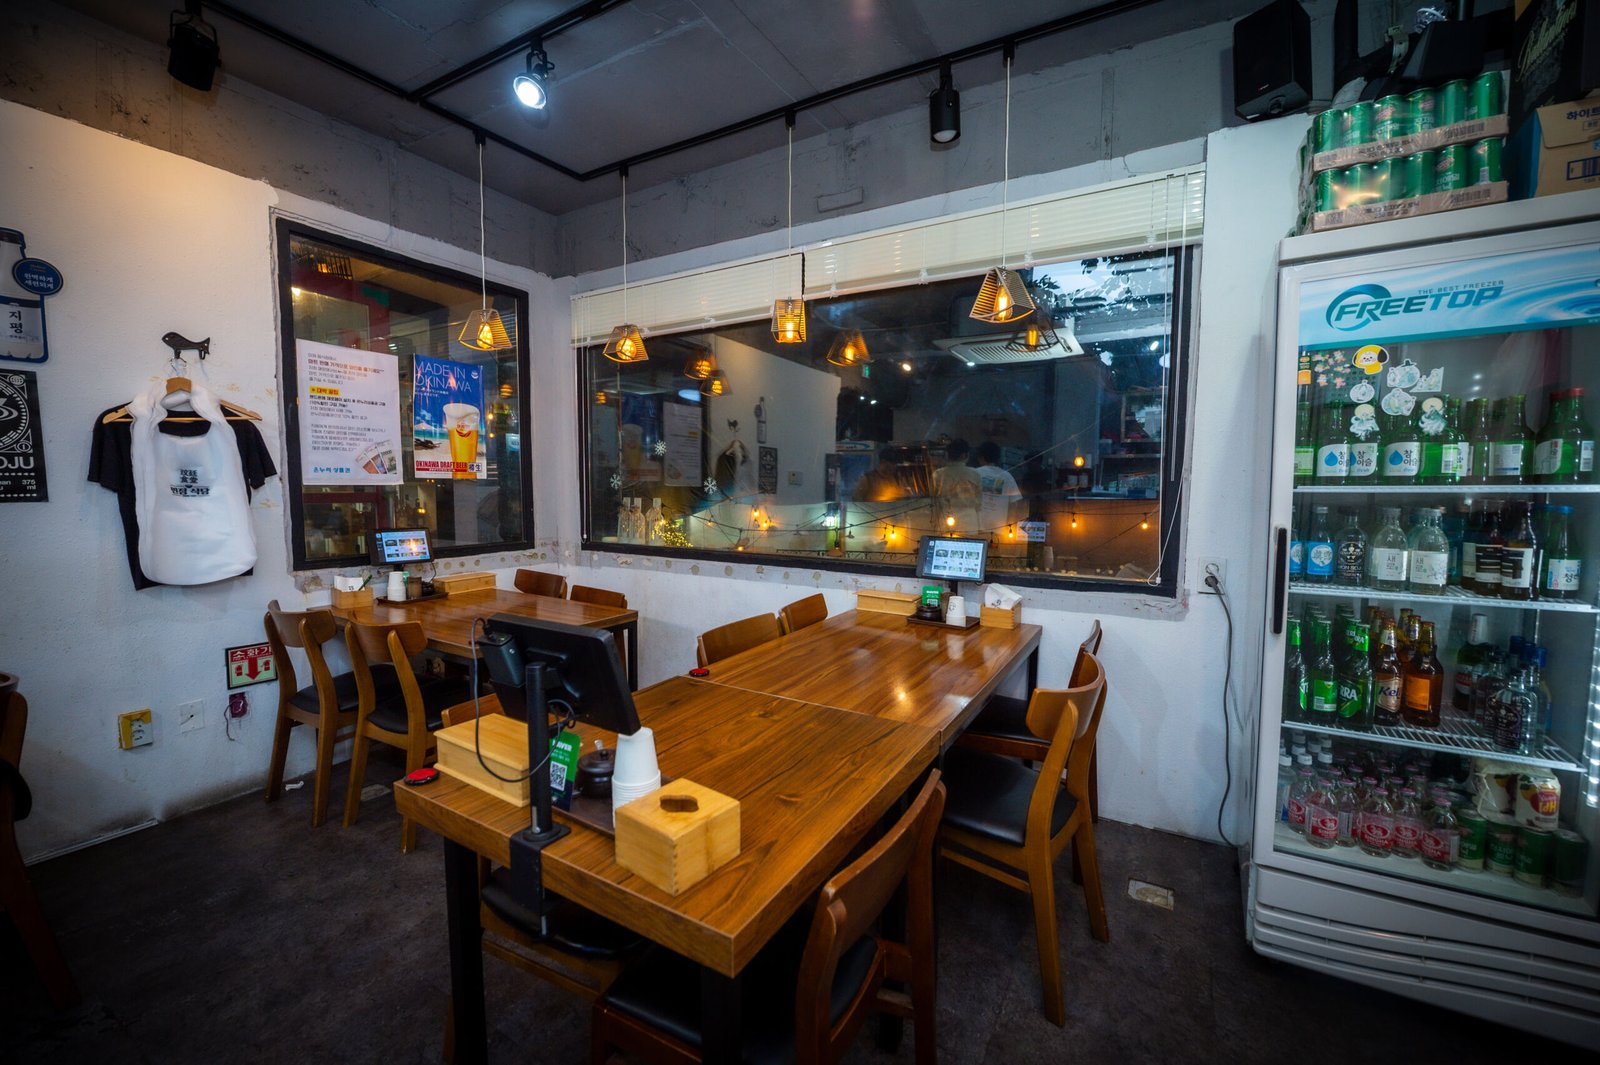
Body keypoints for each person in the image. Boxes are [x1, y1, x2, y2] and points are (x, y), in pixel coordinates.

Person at [932, 438, 982, 532]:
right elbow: (979, 503)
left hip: (945, 520)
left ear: (947, 455)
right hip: (969, 522)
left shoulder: (938, 474)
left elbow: (934, 501)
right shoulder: (975, 474)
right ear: (965, 455)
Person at [973, 441, 1023, 533]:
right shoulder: (1007, 477)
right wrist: (1009, 527)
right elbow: (1015, 504)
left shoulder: (974, 474)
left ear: (981, 457)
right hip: (999, 530)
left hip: (975, 529)